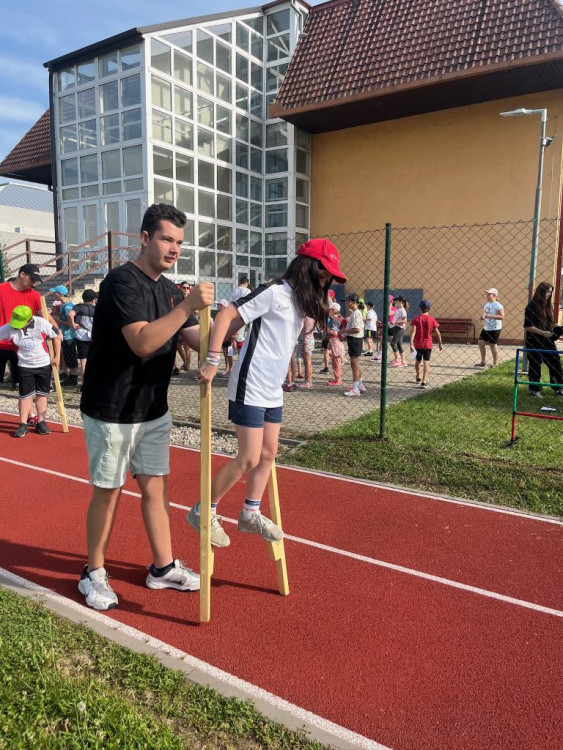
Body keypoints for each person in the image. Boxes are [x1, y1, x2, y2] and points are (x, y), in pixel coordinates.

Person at [78, 203, 214, 611]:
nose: (175, 249)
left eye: (180, 243)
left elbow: (199, 341)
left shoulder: (170, 290)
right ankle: (93, 573)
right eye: (167, 239)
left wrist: (240, 318)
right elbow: (143, 342)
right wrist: (188, 306)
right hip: (112, 409)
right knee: (109, 491)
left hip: (152, 408)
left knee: (156, 487)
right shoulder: (122, 282)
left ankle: (162, 567)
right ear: (145, 238)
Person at [186, 238, 347, 548]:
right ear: (308, 266)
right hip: (250, 384)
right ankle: (203, 511)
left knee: (269, 453)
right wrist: (212, 360)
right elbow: (226, 316)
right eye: (324, 272)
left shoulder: (301, 302)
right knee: (248, 457)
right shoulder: (273, 292)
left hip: (273, 389)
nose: (326, 280)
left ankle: (250, 513)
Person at [0, 305, 60, 437]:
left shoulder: (41, 323)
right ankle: (23, 424)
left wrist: (57, 356)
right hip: (24, 365)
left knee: (42, 394)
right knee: (25, 395)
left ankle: (41, 422)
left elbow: (57, 335)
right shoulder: (9, 327)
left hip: (43, 364)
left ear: (30, 320)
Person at [0, 263, 44, 389]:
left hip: (22, 344)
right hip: (1, 342)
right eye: (31, 279)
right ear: (22, 274)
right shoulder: (1, 289)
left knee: (23, 385)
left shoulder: (35, 295)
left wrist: (55, 329)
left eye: (35, 281)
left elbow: (44, 316)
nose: (33, 283)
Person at [523, 281, 563, 399]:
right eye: (547, 292)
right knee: (535, 363)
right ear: (541, 292)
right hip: (534, 340)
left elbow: (550, 323)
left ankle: (558, 388)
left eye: (551, 292)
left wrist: (557, 328)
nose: (549, 294)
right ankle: (534, 389)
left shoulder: (548, 306)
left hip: (547, 340)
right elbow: (528, 326)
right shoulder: (531, 306)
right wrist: (543, 333)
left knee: (555, 362)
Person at [51, 285, 79, 388]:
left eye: (55, 292)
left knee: (71, 355)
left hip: (69, 335)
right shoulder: (63, 305)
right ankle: (67, 374)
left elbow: (71, 323)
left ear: (60, 294)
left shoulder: (67, 307)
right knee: (66, 355)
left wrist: (59, 321)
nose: (54, 294)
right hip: (65, 335)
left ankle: (73, 377)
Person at [410, 300, 442, 388]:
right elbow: (438, 333)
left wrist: (411, 343)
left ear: (420, 309)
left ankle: (418, 376)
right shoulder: (432, 319)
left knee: (417, 361)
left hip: (418, 344)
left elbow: (413, 331)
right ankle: (424, 381)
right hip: (428, 344)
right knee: (426, 362)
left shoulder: (416, 319)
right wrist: (440, 343)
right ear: (429, 309)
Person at [68, 289, 97, 380]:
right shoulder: (96, 309)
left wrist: (73, 324)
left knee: (83, 361)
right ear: (93, 300)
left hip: (81, 337)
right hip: (94, 336)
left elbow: (70, 314)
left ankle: (85, 382)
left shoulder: (78, 307)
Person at [341, 293, 365, 396]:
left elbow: (357, 329)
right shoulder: (354, 313)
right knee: (355, 363)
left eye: (348, 301)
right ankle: (359, 384)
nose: (346, 303)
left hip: (355, 340)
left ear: (354, 302)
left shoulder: (356, 313)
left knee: (354, 364)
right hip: (354, 340)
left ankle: (355, 389)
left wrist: (344, 331)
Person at [476, 287, 504, 368]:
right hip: (486, 327)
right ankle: (483, 362)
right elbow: (486, 314)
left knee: (492, 345)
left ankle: (495, 363)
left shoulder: (498, 305)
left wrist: (491, 316)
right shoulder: (487, 304)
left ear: (494, 295)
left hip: (495, 328)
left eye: (489, 294)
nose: (487, 295)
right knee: (480, 343)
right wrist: (482, 317)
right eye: (487, 294)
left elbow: (502, 316)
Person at [327, 300, 345, 385]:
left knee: (336, 361)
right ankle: (337, 378)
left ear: (333, 310)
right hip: (334, 341)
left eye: (329, 310)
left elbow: (334, 332)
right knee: (335, 360)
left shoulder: (334, 319)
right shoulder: (339, 319)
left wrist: (326, 329)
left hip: (335, 341)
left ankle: (338, 379)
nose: (328, 311)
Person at [389, 296, 409, 367]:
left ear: (401, 302)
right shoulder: (397, 309)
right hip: (396, 328)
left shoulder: (402, 310)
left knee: (393, 343)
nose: (395, 303)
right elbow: (390, 314)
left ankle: (397, 360)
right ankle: (403, 361)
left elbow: (405, 321)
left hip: (400, 329)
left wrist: (395, 322)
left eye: (396, 302)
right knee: (399, 345)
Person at [297, 315, 315, 388]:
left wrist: (305, 344)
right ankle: (308, 381)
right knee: (307, 362)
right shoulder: (309, 318)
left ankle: (308, 381)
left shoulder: (308, 319)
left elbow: (307, 332)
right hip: (306, 340)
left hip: (306, 341)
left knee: (307, 362)